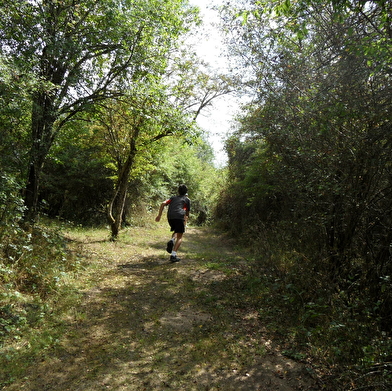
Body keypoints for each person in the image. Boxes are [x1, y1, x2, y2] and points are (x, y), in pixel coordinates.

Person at [155, 184, 191, 263]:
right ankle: (173, 255)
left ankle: (172, 240)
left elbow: (163, 203)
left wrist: (159, 215)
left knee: (176, 230)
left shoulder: (172, 198)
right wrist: (185, 220)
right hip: (179, 217)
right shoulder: (187, 199)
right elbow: (187, 213)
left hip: (170, 217)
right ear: (186, 192)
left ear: (178, 191)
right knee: (180, 237)